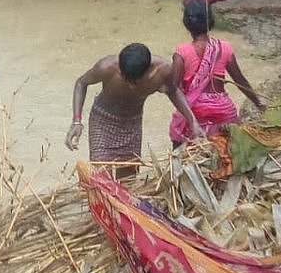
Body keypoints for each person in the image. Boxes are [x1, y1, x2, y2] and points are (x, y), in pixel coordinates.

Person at [65, 42, 201, 177]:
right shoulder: (106, 67)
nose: (130, 85)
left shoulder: (162, 71)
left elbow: (173, 91)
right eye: (126, 79)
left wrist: (192, 120)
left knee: (129, 178)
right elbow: (81, 83)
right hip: (103, 121)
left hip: (132, 124)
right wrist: (76, 122)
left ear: (148, 71)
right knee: (101, 179)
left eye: (135, 81)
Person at [169, 0, 264, 145]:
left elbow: (173, 89)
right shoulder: (225, 48)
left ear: (186, 23)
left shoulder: (181, 52)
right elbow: (240, 81)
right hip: (224, 114)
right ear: (210, 21)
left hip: (194, 114)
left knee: (178, 140)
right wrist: (258, 103)